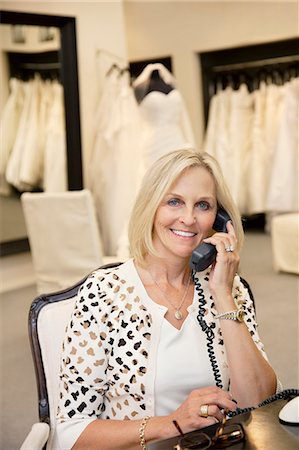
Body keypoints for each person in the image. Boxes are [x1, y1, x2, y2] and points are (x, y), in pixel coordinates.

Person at [54, 148, 280, 450]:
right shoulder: (104, 293)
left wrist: (223, 296)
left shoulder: (228, 287)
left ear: (219, 219)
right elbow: (70, 433)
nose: (188, 219)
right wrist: (172, 423)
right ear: (151, 206)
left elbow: (260, 403)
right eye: (174, 201)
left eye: (203, 205)